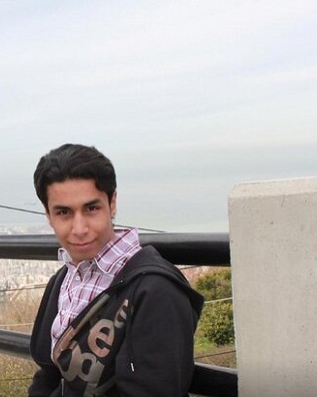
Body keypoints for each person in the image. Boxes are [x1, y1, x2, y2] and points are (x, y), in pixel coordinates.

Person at [28, 143, 204, 397]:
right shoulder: (63, 280)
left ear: (112, 203)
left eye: (91, 208)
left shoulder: (155, 290)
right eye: (64, 212)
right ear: (48, 215)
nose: (79, 229)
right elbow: (48, 374)